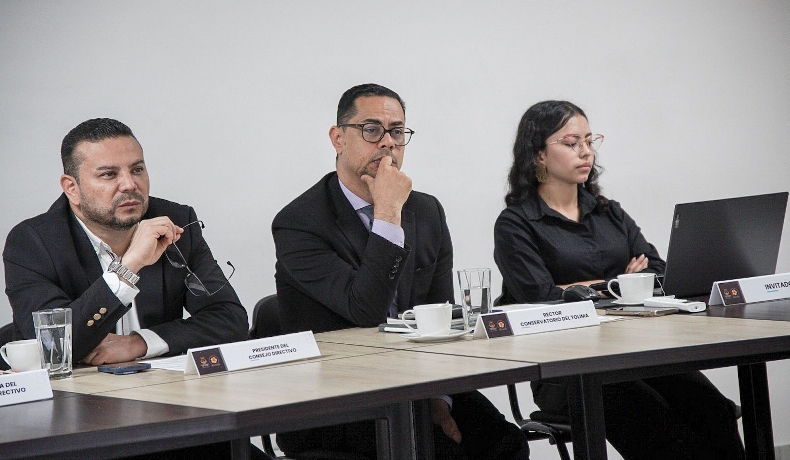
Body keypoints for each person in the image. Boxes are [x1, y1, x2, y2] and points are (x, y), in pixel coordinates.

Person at [272, 83, 529, 460]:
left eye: (397, 132)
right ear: (338, 138)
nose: (388, 143)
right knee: (438, 451)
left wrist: (438, 397)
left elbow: (440, 316)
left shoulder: (426, 212)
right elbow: (365, 310)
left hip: (417, 382)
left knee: (505, 444)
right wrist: (387, 213)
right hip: (335, 399)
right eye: (372, 130)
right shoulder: (299, 222)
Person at [493, 100, 745, 460]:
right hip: (566, 368)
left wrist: (585, 288)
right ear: (538, 156)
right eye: (571, 142)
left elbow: (658, 273)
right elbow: (542, 297)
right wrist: (620, 283)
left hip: (634, 351)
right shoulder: (516, 223)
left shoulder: (608, 211)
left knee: (715, 411)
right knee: (661, 429)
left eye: (589, 141)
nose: (586, 152)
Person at [3, 118, 251, 459]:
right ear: (71, 187)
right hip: (79, 429)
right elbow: (54, 346)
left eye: (137, 169)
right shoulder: (34, 242)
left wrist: (139, 343)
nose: (129, 185)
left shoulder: (175, 220)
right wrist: (129, 265)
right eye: (109, 174)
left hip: (174, 417)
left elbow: (229, 319)